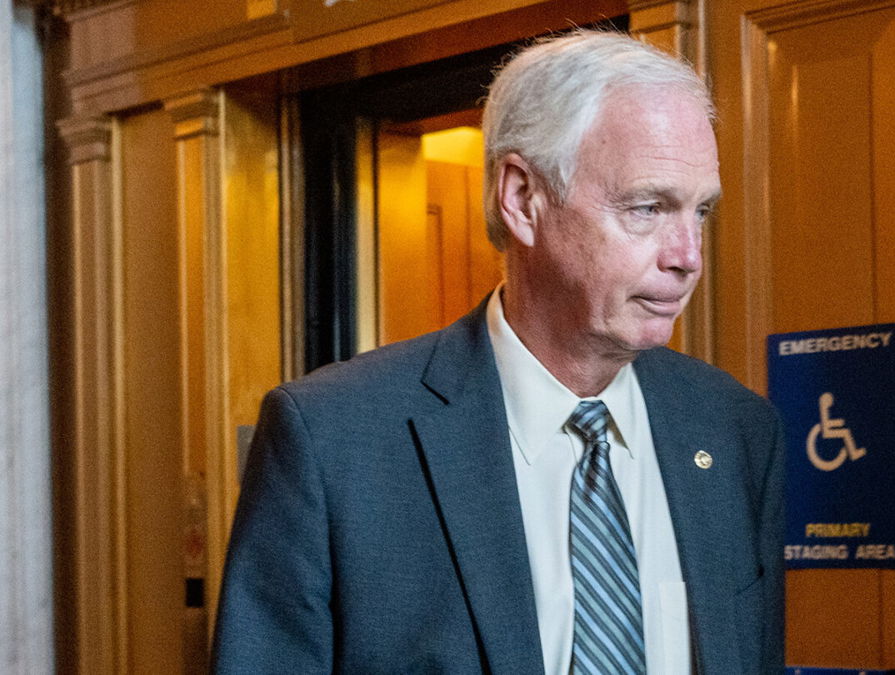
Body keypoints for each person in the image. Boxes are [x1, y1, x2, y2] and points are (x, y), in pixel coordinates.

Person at [212, 30, 784, 674]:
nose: (688, 257)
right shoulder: (333, 441)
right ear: (522, 199)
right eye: (648, 207)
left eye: (700, 212)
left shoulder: (735, 431)